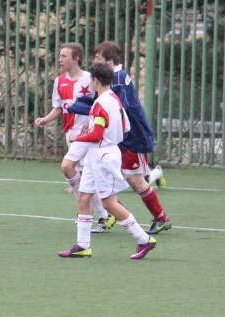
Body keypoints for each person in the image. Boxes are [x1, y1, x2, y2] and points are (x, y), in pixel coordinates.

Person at [57, 62, 157, 260]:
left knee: (109, 203)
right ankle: (83, 246)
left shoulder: (101, 103)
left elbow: (96, 135)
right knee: (84, 198)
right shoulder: (113, 99)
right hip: (99, 154)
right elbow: (125, 127)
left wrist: (78, 137)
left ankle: (144, 239)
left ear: (95, 80)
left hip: (103, 156)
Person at [70, 41, 171, 235]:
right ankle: (114, 210)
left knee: (136, 180)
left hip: (133, 137)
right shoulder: (112, 78)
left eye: (98, 58)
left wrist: (82, 109)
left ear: (109, 60)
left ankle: (161, 218)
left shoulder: (119, 78)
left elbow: (114, 107)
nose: (95, 61)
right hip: (117, 139)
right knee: (105, 176)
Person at [33, 42, 114, 232]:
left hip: (88, 134)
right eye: (60, 55)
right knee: (86, 176)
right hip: (72, 134)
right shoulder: (59, 81)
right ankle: (104, 214)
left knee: (68, 167)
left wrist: (92, 119)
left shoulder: (90, 79)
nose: (60, 59)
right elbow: (60, 107)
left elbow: (101, 101)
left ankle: (91, 212)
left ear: (76, 58)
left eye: (64, 56)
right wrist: (46, 119)